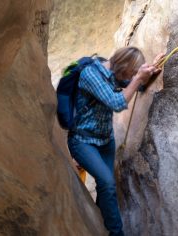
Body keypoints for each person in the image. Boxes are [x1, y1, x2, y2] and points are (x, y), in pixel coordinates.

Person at [67, 46, 164, 236]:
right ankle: (116, 233)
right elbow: (117, 102)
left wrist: (151, 69)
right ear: (122, 66)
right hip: (83, 141)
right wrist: (137, 78)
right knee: (107, 183)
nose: (133, 75)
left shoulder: (117, 72)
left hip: (105, 140)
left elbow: (139, 85)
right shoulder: (90, 74)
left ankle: (98, 223)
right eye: (132, 71)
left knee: (105, 188)